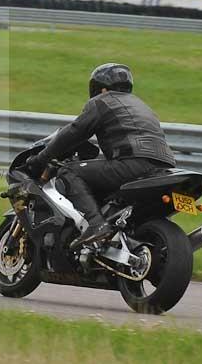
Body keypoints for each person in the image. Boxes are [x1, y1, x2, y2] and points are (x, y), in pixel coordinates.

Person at [24, 63, 176, 249]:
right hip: (164, 168)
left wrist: (41, 158)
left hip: (132, 163)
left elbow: (74, 132)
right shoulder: (142, 106)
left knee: (70, 172)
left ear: (101, 88)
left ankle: (96, 225)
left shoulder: (102, 101)